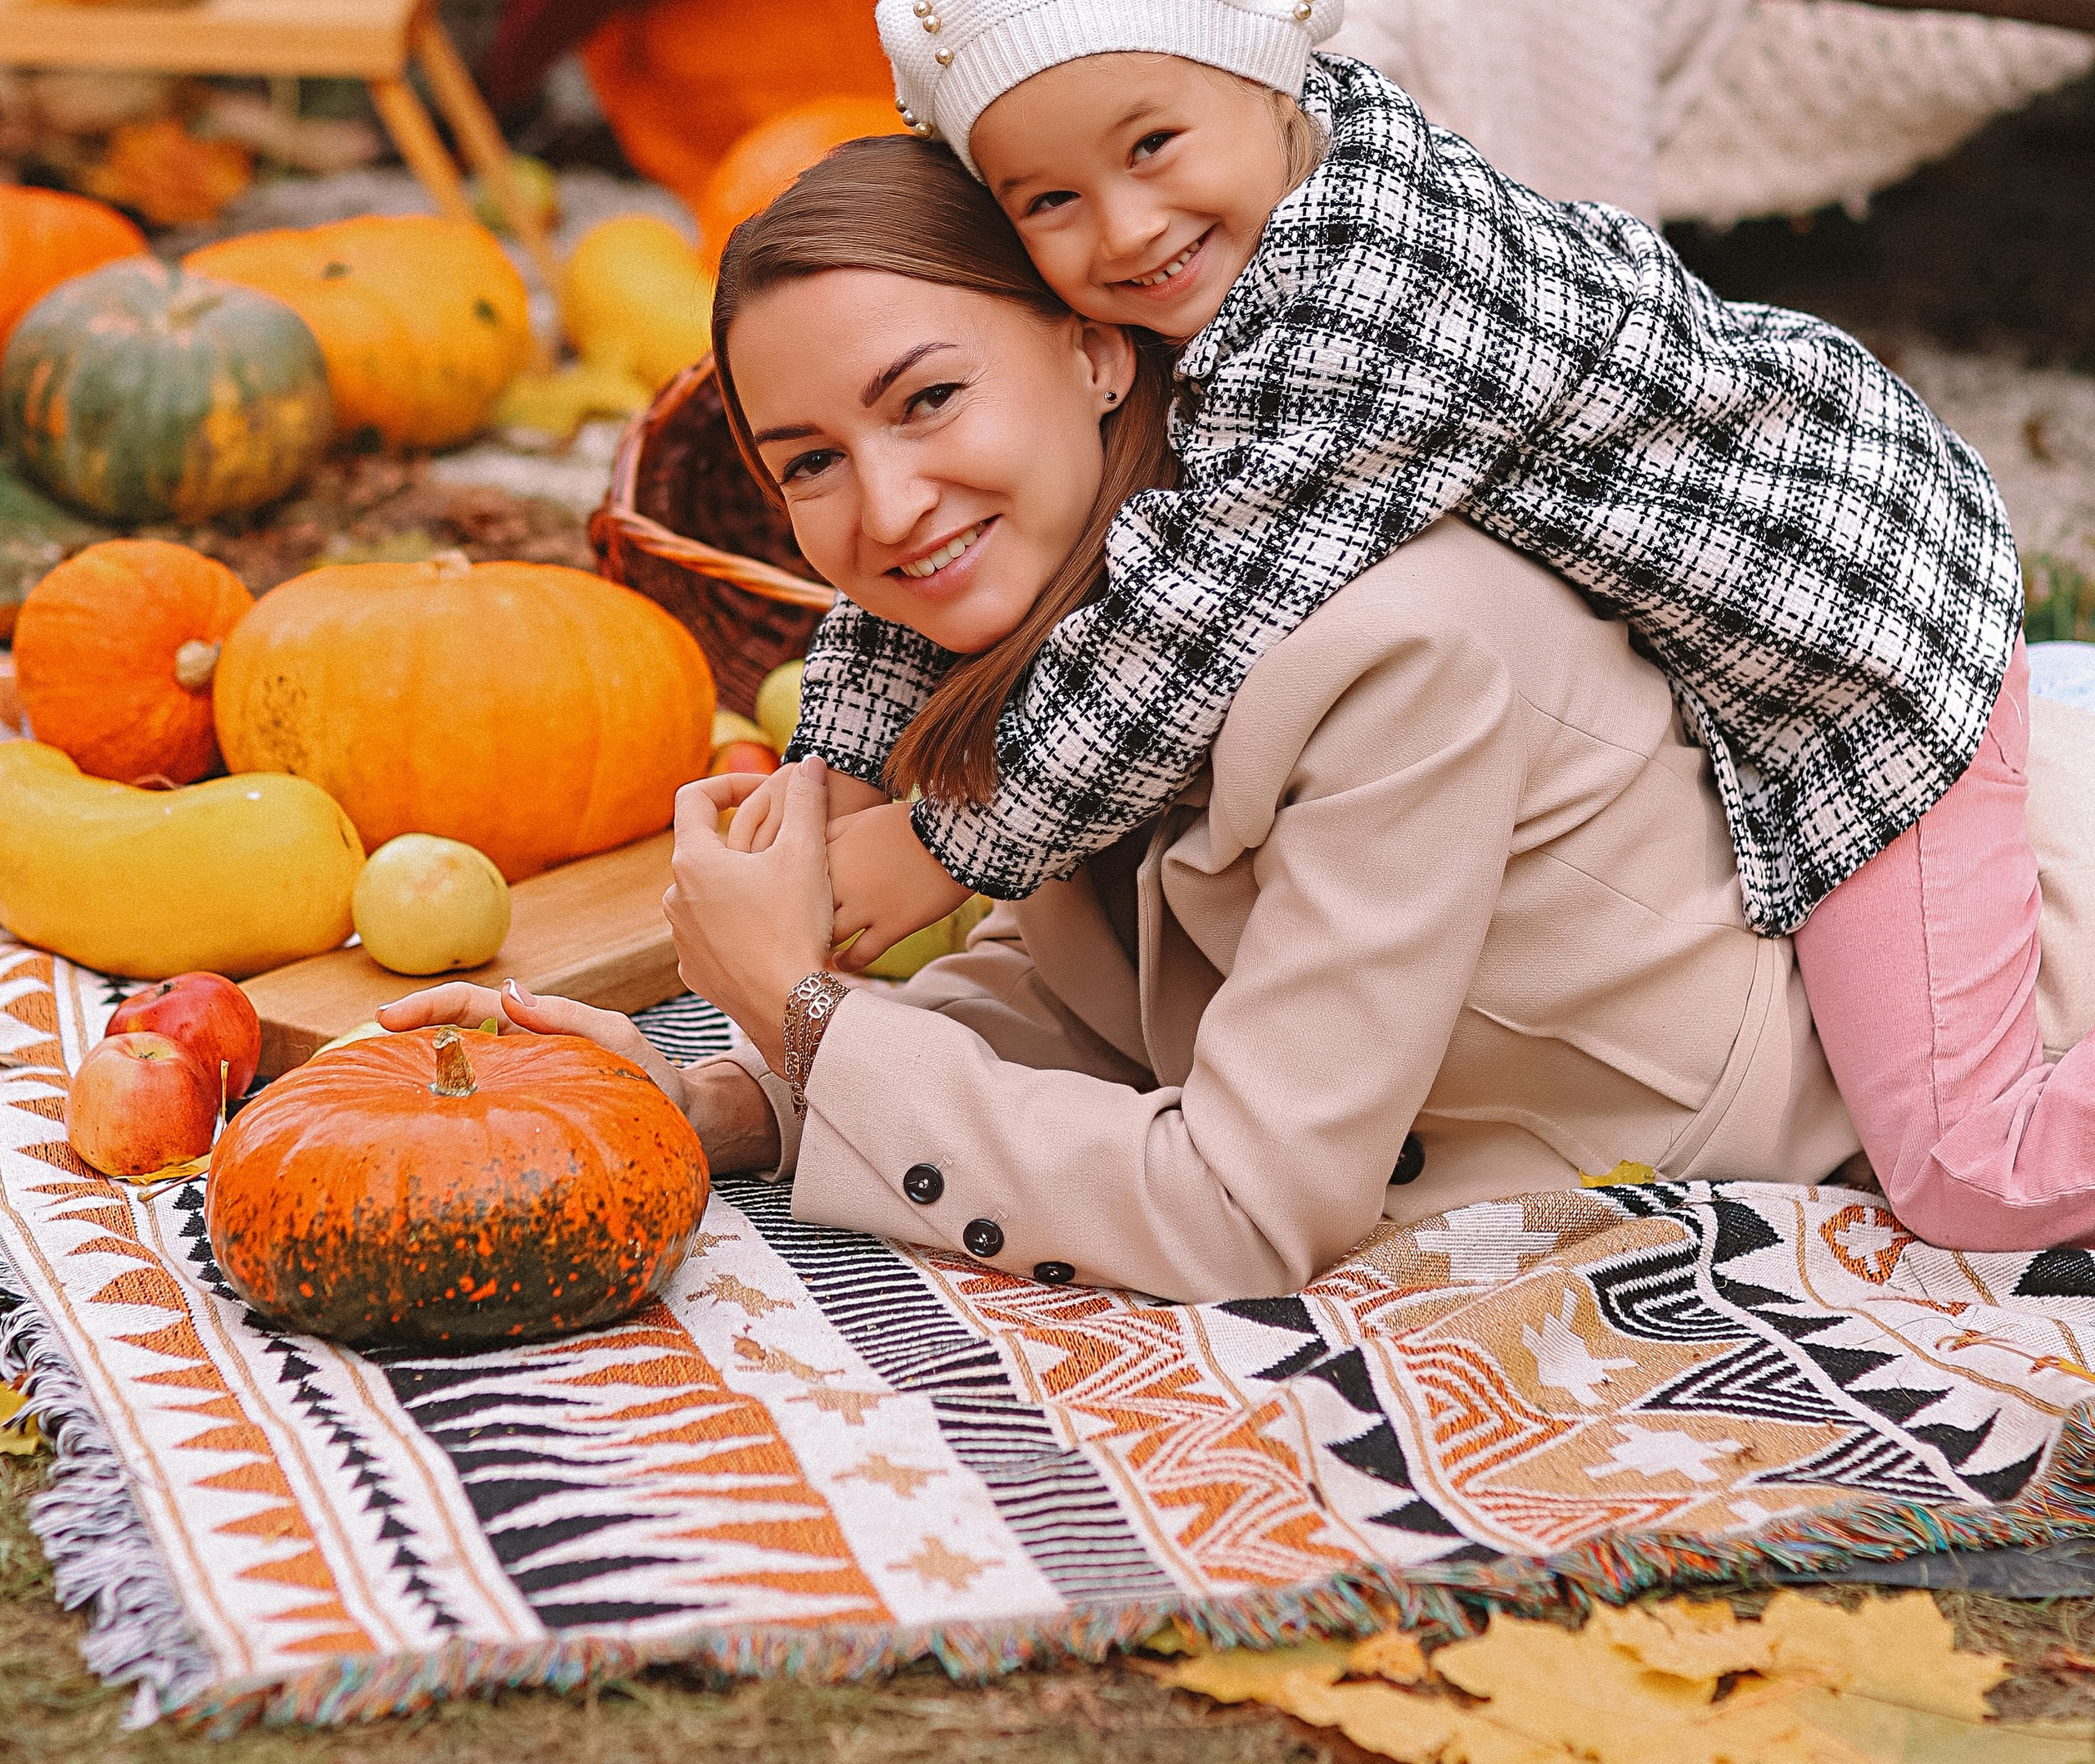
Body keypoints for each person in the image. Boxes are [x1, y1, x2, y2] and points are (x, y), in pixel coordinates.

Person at [729, 0, 2078, 1256]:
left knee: (1971, 1166)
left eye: (1153, 147)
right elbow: (1061, 860)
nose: (1124, 227)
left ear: (1272, 80)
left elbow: (1177, 629)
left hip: (1860, 629)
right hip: (1729, 634)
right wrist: (835, 773)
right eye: (1048, 201)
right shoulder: (1199, 302)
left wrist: (940, 837)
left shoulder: (1371, 296)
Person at [383, 136, 1858, 1300]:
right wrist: (734, 1097)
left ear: (1096, 351)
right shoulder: (1079, 627)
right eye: (811, 461)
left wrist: (806, 1009)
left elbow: (1241, 1208)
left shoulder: (1397, 655)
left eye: (931, 398)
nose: (887, 508)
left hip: (1745, 1132)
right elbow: (1100, 1002)